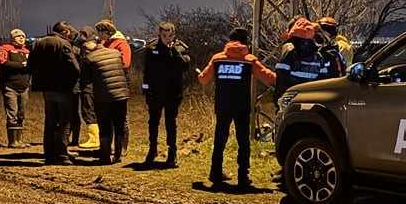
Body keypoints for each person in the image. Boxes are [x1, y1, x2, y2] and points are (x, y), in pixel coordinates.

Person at [198, 27, 276, 189]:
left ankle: (215, 172)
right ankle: (243, 176)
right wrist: (283, 78)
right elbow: (267, 76)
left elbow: (204, 79)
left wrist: (199, 74)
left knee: (220, 140)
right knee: (243, 141)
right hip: (241, 106)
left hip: (223, 105)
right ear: (245, 41)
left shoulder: (218, 59)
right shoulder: (249, 60)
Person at [28, 20, 80, 165]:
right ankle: (62, 154)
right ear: (65, 32)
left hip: (46, 89)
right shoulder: (63, 44)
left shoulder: (37, 43)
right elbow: (73, 66)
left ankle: (49, 153)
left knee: (50, 121)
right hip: (63, 87)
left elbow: (30, 65)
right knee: (64, 122)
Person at [141, 20, 191, 167]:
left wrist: (174, 52)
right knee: (153, 122)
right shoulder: (152, 48)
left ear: (174, 34)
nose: (167, 39)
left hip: (172, 92)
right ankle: (152, 149)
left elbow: (184, 66)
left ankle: (172, 151)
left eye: (170, 36)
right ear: (160, 34)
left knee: (171, 122)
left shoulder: (180, 49)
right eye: (164, 36)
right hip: (155, 92)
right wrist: (145, 88)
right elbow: (147, 71)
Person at [78, 36, 130, 164]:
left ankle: (105, 156)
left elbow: (86, 80)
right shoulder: (115, 53)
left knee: (105, 126)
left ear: (87, 50)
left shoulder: (89, 58)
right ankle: (118, 155)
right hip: (121, 94)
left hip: (103, 97)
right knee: (119, 125)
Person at [273, 17, 336, 102]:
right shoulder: (319, 54)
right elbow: (323, 80)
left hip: (289, 99)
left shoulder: (289, 49)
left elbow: (281, 75)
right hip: (310, 99)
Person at [0, 28, 31, 148]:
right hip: (10, 86)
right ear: (12, 38)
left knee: (21, 113)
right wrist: (22, 65)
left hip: (24, 86)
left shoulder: (27, 51)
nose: (21, 38)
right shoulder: (5, 48)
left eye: (23, 36)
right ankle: (12, 141)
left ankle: (19, 139)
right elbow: (3, 63)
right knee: (12, 112)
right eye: (18, 36)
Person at [72, 26, 100, 150]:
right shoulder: (97, 47)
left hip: (88, 85)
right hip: (94, 85)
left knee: (89, 110)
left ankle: (94, 139)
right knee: (91, 111)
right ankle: (95, 138)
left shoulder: (83, 49)